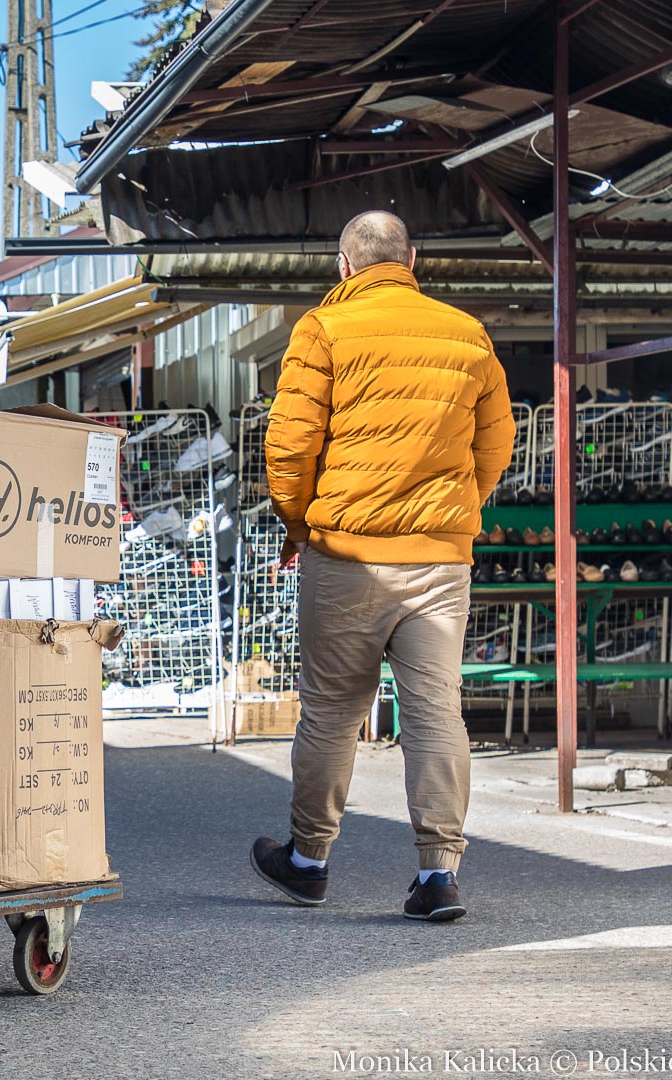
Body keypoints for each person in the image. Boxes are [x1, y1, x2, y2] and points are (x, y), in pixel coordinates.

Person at [251, 210, 513, 923]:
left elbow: (289, 446)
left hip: (347, 555)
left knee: (333, 713)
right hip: (438, 562)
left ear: (344, 266)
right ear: (413, 259)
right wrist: (449, 516)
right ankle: (439, 877)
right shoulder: (467, 334)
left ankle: (308, 863)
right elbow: (496, 446)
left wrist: (299, 523)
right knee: (436, 713)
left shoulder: (323, 329)